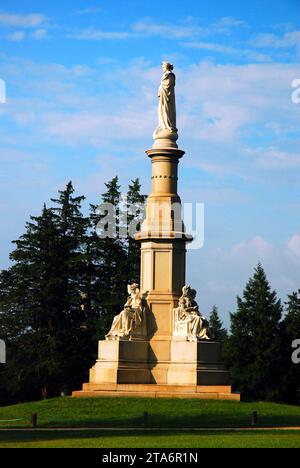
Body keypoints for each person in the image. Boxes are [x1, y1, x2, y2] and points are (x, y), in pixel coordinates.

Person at [157, 62, 177, 133]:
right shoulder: (166, 75)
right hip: (162, 97)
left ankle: (167, 125)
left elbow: (167, 86)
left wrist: (161, 87)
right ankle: (162, 125)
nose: (162, 69)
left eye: (163, 67)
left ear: (167, 67)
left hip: (166, 98)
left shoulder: (170, 75)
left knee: (166, 111)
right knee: (160, 110)